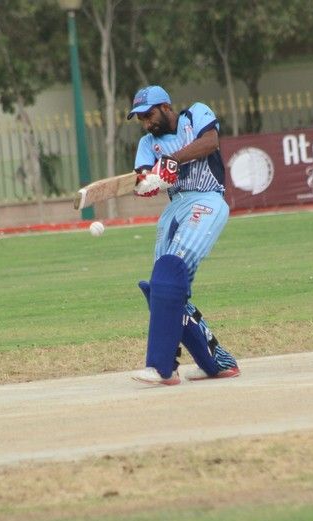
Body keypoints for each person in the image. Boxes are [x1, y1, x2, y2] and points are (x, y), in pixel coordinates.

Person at [126, 85, 239, 385]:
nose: (146, 123)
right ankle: (216, 363)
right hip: (174, 207)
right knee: (163, 288)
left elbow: (210, 143)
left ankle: (161, 367)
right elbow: (145, 178)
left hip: (207, 199)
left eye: (149, 115)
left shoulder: (195, 115)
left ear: (165, 107)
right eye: (140, 119)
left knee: (170, 271)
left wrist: (172, 160)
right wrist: (147, 184)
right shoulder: (147, 144)